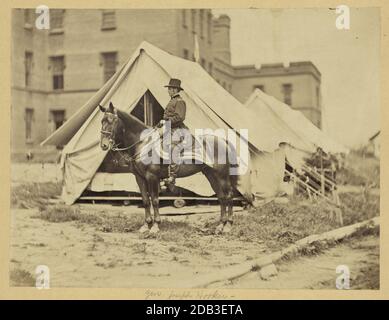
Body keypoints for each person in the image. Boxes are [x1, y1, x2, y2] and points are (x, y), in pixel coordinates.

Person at [156, 78, 188, 190]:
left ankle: (172, 176)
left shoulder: (180, 101)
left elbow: (180, 117)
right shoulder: (172, 100)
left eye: (169, 89)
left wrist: (166, 121)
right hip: (169, 128)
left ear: (174, 90)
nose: (168, 91)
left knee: (172, 147)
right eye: (168, 89)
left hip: (178, 129)